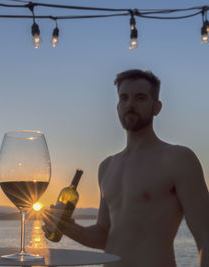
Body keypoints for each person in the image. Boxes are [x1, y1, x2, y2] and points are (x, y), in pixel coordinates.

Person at [43, 69, 209, 267]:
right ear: (117, 106)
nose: (130, 104)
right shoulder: (107, 166)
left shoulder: (178, 159)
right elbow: (104, 237)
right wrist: (68, 227)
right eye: (124, 98)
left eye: (140, 98)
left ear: (157, 107)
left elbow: (205, 237)